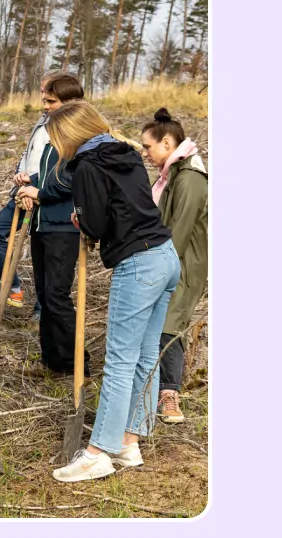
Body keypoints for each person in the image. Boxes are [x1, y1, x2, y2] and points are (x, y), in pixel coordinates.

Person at [49, 101, 180, 482]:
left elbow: (96, 221)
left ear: (71, 135)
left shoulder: (87, 166)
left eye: (58, 139)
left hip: (138, 263)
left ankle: (97, 453)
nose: (58, 148)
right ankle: (128, 441)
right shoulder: (126, 155)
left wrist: (81, 219)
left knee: (120, 361)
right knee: (145, 356)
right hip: (166, 257)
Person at [140, 108, 208, 425]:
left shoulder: (191, 178)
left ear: (167, 143)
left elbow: (179, 229)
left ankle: (170, 395)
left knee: (170, 323)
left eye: (148, 147)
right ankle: (155, 388)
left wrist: (158, 264)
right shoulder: (174, 174)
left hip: (182, 264)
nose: (145, 153)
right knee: (162, 320)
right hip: (169, 259)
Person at [14, 74, 86, 374]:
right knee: (44, 295)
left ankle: (77, 365)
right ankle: (50, 361)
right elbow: (44, 174)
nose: (45, 106)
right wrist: (28, 189)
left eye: (51, 101)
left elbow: (70, 180)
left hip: (64, 227)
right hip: (42, 225)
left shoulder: (77, 137)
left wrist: (40, 192)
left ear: (70, 103)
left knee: (57, 296)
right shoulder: (49, 132)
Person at [0, 70, 65, 316]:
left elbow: (59, 166)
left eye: (48, 94)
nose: (43, 99)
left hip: (46, 193)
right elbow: (28, 154)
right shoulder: (43, 121)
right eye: (42, 93)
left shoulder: (65, 126)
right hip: (24, 190)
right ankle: (13, 286)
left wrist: (35, 185)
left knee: (44, 253)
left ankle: (41, 311)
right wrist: (21, 176)